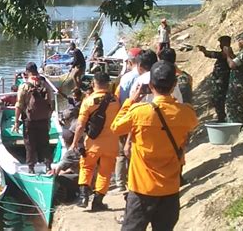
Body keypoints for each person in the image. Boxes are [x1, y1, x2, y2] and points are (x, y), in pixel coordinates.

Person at [111, 61, 198, 231]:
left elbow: (116, 127)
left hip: (142, 189)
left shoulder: (139, 112)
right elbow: (192, 124)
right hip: (170, 189)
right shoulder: (186, 113)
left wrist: (130, 101)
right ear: (174, 85)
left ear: (150, 86)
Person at [70, 71, 120, 211]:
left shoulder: (88, 101)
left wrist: (74, 143)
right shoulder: (116, 101)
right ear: (108, 84)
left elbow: (80, 125)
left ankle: (83, 197)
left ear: (93, 84)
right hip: (111, 143)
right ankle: (98, 202)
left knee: (86, 167)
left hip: (92, 143)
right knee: (105, 172)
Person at [13, 62, 54, 174]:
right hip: (43, 120)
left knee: (30, 144)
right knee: (45, 143)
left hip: (29, 121)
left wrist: (16, 122)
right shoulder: (45, 84)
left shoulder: (24, 86)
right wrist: (48, 118)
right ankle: (48, 166)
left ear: (27, 72)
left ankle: (31, 168)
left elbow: (19, 105)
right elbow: (50, 103)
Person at [112, 47, 142, 192]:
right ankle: (134, 179)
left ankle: (119, 183)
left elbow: (120, 99)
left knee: (122, 153)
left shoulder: (126, 78)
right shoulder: (148, 76)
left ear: (130, 62)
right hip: (143, 117)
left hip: (127, 116)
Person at [197, 36, 232, 122]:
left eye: (221, 43)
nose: (220, 45)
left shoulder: (227, 53)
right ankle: (222, 117)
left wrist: (205, 51)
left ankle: (222, 118)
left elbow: (213, 54)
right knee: (217, 100)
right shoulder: (226, 53)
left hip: (222, 82)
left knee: (219, 100)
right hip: (219, 82)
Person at [224, 33, 243, 124]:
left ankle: (235, 125)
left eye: (239, 40)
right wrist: (231, 54)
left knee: (233, 104)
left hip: (239, 83)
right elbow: (238, 62)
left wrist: (227, 55)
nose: (238, 42)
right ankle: (238, 124)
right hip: (238, 82)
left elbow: (232, 65)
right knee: (237, 105)